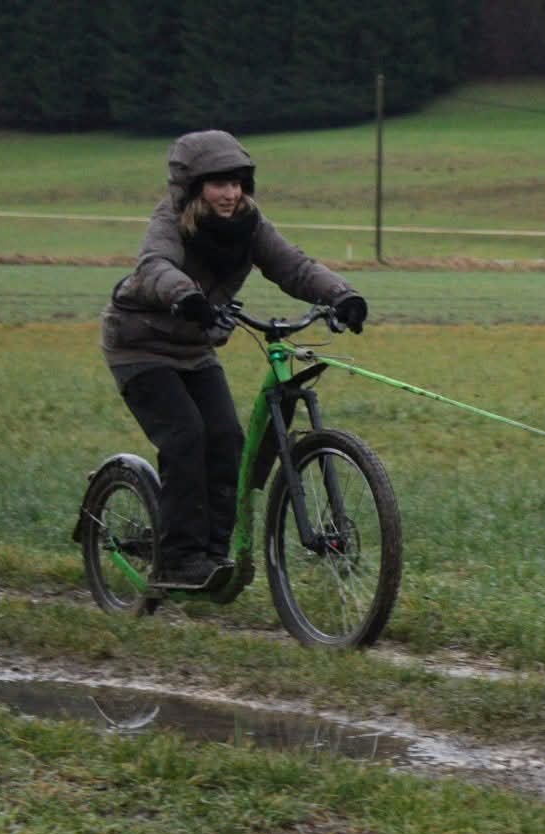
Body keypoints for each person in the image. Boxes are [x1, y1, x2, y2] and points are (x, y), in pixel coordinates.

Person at [101, 129, 367, 587]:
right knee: (187, 437)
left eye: (237, 182)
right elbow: (154, 267)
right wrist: (185, 294)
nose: (230, 193)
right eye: (218, 183)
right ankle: (181, 559)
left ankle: (215, 557)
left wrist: (342, 295)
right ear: (192, 186)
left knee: (226, 440)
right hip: (140, 346)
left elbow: (294, 267)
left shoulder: (249, 224)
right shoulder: (171, 220)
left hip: (194, 348)